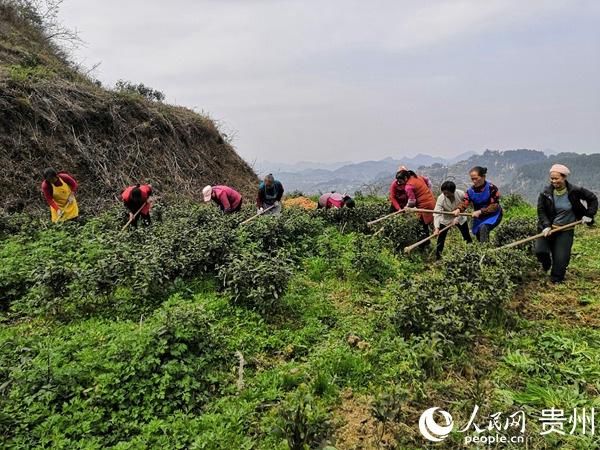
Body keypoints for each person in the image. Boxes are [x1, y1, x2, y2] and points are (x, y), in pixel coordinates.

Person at [535, 164, 597, 283]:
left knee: (561, 260)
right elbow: (541, 211)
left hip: (565, 231)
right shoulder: (545, 193)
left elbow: (592, 199)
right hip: (547, 228)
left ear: (564, 178)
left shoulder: (575, 191)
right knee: (540, 251)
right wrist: (546, 225)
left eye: (556, 178)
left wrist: (589, 214)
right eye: (552, 178)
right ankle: (546, 264)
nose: (553, 181)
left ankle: (556, 280)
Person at [453, 166, 502, 243]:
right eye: (472, 179)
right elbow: (465, 202)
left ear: (483, 177)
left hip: (493, 215)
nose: (474, 181)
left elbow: (494, 206)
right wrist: (458, 209)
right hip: (479, 217)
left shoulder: (491, 188)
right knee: (478, 233)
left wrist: (480, 211)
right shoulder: (470, 191)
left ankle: (485, 252)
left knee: (483, 228)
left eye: (476, 178)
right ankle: (484, 249)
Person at [433, 180, 472, 259]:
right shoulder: (441, 198)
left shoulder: (460, 194)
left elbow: (465, 204)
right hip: (446, 219)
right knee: (441, 238)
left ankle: (471, 252)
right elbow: (437, 213)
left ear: (453, 191)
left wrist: (457, 218)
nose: (446, 195)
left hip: (460, 217)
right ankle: (438, 257)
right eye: (444, 193)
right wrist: (436, 228)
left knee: (466, 236)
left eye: (448, 193)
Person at [395, 168, 436, 239]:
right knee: (430, 222)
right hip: (432, 201)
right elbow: (429, 182)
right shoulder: (417, 177)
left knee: (422, 226)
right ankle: (431, 237)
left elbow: (412, 201)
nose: (399, 183)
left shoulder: (408, 186)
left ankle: (424, 244)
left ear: (405, 178)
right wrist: (427, 192)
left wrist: (406, 207)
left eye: (400, 181)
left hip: (424, 207)